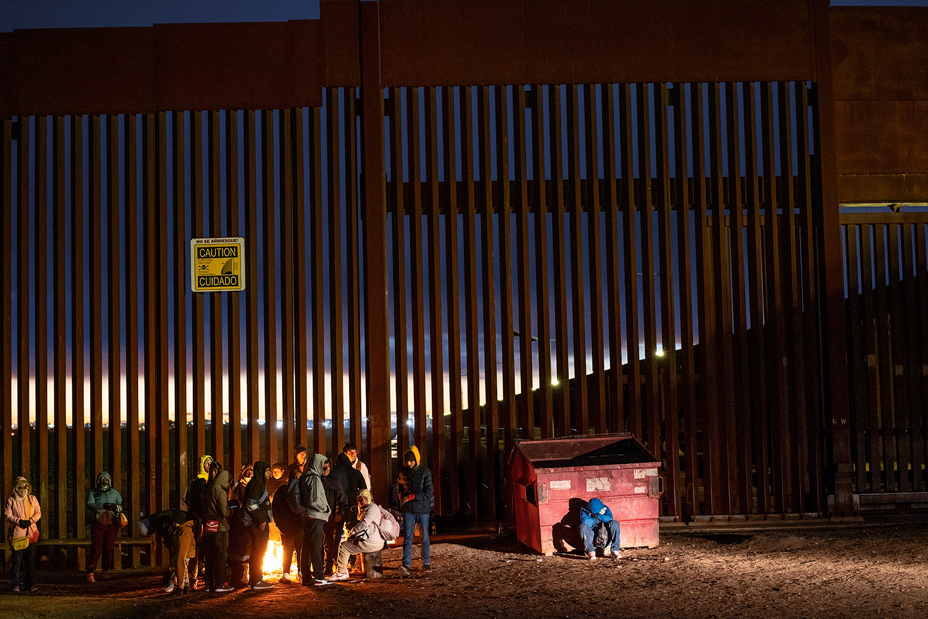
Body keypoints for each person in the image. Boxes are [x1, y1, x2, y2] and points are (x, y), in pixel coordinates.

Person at [287, 453, 332, 587]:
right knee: (316, 547)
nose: (324, 470)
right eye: (322, 467)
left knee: (306, 547)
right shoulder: (314, 479)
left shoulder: (303, 478)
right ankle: (319, 576)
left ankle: (306, 577)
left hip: (306, 516)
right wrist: (325, 510)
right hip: (316, 516)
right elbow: (315, 500)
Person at [327, 489, 384, 582]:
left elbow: (364, 523)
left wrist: (352, 532)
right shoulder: (368, 507)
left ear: (367, 498)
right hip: (373, 540)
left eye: (361, 500)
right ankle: (346, 569)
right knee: (349, 545)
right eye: (358, 500)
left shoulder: (371, 508)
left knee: (344, 546)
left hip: (371, 542)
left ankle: (341, 573)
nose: (359, 502)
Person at [324, 451, 366, 575]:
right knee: (352, 535)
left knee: (332, 539)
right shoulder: (356, 473)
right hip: (352, 509)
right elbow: (364, 490)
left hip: (335, 510)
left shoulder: (333, 475)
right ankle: (351, 563)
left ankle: (330, 564)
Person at [393, 446, 433, 577]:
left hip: (422, 510)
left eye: (411, 460)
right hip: (409, 509)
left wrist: (412, 496)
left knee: (424, 538)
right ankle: (406, 565)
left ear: (416, 459)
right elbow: (399, 486)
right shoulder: (403, 472)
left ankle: (426, 563)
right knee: (407, 538)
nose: (409, 463)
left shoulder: (425, 472)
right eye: (407, 461)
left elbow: (429, 492)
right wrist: (399, 496)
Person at [142, 508, 197, 593]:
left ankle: (179, 586)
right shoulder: (189, 524)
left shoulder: (167, 524)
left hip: (181, 533)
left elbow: (179, 557)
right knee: (184, 560)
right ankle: (185, 584)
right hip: (186, 531)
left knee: (180, 560)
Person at [4, 477, 41, 593]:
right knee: (17, 561)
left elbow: (38, 512)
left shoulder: (32, 499)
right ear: (16, 488)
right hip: (17, 535)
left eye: (26, 487)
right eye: (21, 487)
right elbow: (7, 514)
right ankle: (15, 583)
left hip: (30, 533)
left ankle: (30, 584)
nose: (24, 490)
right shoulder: (11, 500)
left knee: (29, 560)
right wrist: (18, 521)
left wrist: (31, 521)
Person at [86, 471, 123, 583]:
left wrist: (116, 508)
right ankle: (91, 572)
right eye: (101, 481)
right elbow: (89, 504)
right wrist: (102, 506)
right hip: (98, 523)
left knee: (108, 548)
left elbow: (120, 505)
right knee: (96, 548)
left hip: (111, 525)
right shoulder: (93, 493)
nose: (104, 483)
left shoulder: (115, 493)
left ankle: (106, 570)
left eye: (106, 481)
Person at [202, 463, 234, 593]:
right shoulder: (219, 489)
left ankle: (209, 584)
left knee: (209, 556)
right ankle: (220, 584)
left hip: (209, 525)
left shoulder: (208, 488)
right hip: (220, 527)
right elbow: (223, 511)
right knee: (220, 556)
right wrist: (231, 510)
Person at [243, 461, 274, 590]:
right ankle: (257, 580)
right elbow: (251, 504)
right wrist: (261, 519)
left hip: (258, 523)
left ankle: (254, 580)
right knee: (258, 551)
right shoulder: (257, 484)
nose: (269, 474)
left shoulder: (259, 484)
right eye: (267, 471)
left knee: (258, 551)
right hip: (257, 525)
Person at [184, 454, 213, 587]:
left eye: (211, 463)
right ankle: (192, 578)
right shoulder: (197, 482)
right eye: (207, 463)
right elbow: (195, 502)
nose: (209, 465)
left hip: (208, 518)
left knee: (207, 548)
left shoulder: (212, 480)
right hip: (199, 519)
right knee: (196, 548)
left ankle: (205, 577)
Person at [273, 468, 303, 583]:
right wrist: (279, 524)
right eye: (296, 477)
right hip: (288, 526)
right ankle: (287, 572)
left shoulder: (302, 490)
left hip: (298, 525)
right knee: (288, 549)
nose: (297, 480)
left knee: (300, 548)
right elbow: (276, 508)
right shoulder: (282, 491)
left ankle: (301, 571)